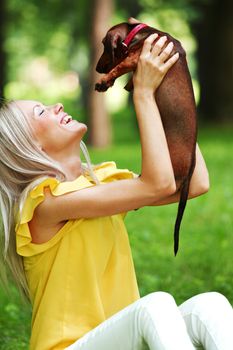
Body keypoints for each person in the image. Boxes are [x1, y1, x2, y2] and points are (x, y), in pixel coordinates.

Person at [0, 33, 233, 350]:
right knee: (155, 305)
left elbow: (194, 183)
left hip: (120, 339)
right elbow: (157, 184)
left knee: (211, 305)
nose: (55, 106)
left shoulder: (99, 183)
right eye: (40, 112)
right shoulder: (43, 204)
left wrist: (168, 90)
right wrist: (143, 96)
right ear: (28, 147)